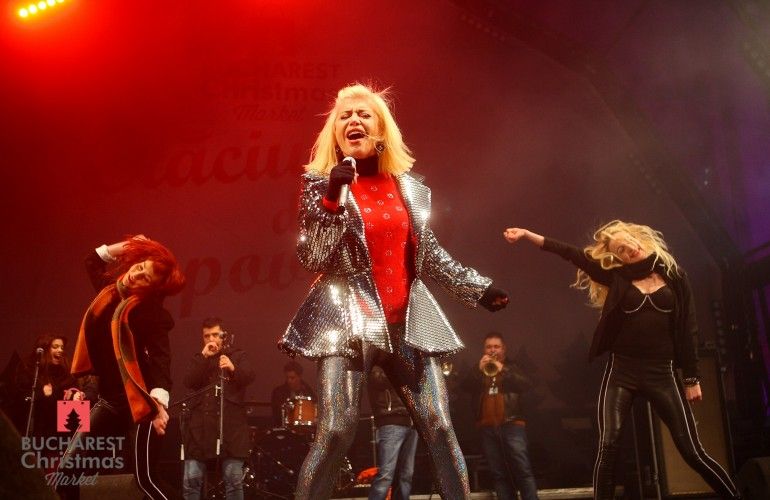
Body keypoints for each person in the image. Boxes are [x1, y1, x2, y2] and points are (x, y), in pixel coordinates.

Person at [279, 82, 509, 499]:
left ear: (381, 129)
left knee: (439, 427)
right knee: (336, 430)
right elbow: (314, 256)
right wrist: (332, 197)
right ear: (335, 133)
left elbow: (428, 253)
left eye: (363, 114)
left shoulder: (409, 187)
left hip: (407, 324)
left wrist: (477, 288)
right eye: (345, 116)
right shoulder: (319, 185)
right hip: (348, 323)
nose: (353, 120)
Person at [503, 221, 739, 499]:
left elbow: (689, 328)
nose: (628, 249)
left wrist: (691, 378)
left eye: (628, 243)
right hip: (622, 371)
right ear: (617, 258)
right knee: (608, 445)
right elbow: (570, 253)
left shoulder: (675, 275)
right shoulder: (617, 278)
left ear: (638, 239)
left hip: (661, 373)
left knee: (692, 451)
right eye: (620, 250)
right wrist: (527, 234)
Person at [65, 235, 185, 499]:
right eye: (139, 267)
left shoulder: (152, 313)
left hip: (140, 405)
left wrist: (158, 404)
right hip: (110, 401)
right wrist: (131, 246)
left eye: (145, 278)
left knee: (146, 480)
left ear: (153, 289)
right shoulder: (109, 292)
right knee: (67, 471)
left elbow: (161, 360)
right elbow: (92, 260)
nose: (136, 275)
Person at [182, 317, 255, 500]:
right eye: (207, 336)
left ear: (224, 336)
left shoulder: (238, 355)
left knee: (233, 480)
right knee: (192, 480)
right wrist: (203, 357)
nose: (211, 339)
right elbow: (189, 381)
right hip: (200, 430)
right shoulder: (200, 358)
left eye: (215, 334)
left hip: (230, 429)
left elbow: (249, 376)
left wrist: (232, 368)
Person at [470, 332, 538, 500]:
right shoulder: (479, 368)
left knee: (523, 470)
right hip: (487, 428)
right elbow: (463, 387)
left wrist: (503, 369)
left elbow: (527, 384)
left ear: (504, 349)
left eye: (496, 346)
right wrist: (478, 371)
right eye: (489, 347)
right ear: (484, 349)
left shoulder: (513, 366)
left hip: (512, 425)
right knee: (498, 474)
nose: (492, 350)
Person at [366, 364, 419, 500]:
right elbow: (378, 380)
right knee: (386, 474)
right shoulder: (378, 363)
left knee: (406, 474)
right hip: (391, 421)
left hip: (411, 422)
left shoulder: (406, 362)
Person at [16, 334, 82, 436]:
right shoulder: (30, 369)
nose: (60, 350)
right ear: (45, 349)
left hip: (62, 432)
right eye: (55, 347)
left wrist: (75, 395)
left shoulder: (65, 371)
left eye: (62, 347)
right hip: (37, 430)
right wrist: (41, 393)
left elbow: (73, 387)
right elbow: (19, 397)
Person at [270, 360, 315, 428]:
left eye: (292, 378)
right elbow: (277, 416)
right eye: (287, 377)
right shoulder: (278, 392)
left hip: (306, 429)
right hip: (285, 429)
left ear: (300, 376)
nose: (289, 381)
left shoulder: (308, 391)